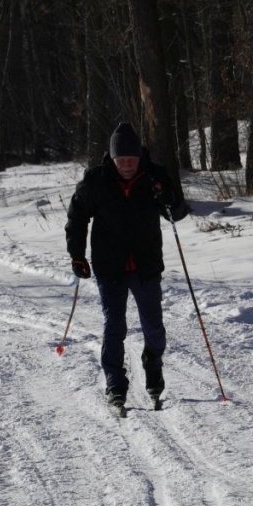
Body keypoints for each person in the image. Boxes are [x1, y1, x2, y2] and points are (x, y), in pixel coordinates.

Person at [65, 122, 189, 412]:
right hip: (110, 266)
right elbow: (77, 218)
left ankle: (153, 372)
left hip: (146, 264)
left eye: (132, 159)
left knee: (154, 327)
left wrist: (166, 197)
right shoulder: (95, 181)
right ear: (112, 158)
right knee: (114, 327)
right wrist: (77, 256)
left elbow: (177, 213)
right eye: (122, 160)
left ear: (139, 156)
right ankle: (115, 385)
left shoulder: (155, 176)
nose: (128, 166)